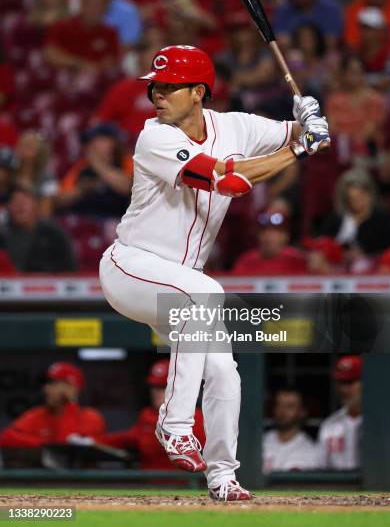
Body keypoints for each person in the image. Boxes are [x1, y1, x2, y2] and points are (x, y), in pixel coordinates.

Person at [98, 45, 330, 501]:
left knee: (225, 372)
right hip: (132, 267)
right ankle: (175, 423)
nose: (156, 94)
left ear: (199, 92)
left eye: (168, 86)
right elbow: (229, 180)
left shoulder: (235, 126)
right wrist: (300, 148)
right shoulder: (153, 138)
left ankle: (223, 475)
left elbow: (301, 134)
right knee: (205, 292)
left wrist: (311, 117)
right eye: (154, 86)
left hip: (181, 283)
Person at [96, 359, 205, 469]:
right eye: (154, 387)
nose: (156, 392)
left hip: (186, 484)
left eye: (163, 387)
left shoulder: (196, 418)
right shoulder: (147, 415)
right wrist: (90, 441)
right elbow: (127, 438)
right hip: (149, 484)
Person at [0, 362, 106, 450]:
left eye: (53, 384)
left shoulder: (91, 418)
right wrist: (46, 445)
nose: (46, 389)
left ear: (72, 388)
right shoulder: (37, 415)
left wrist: (70, 404)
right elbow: (6, 438)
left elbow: (66, 449)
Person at [319, 168, 390, 271]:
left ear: (370, 195)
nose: (356, 202)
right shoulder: (337, 218)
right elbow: (324, 240)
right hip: (337, 263)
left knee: (360, 265)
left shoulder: (382, 219)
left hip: (371, 263)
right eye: (352, 199)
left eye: (360, 197)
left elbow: (387, 248)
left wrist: (363, 254)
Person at [56, 123, 133, 219]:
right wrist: (82, 190)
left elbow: (127, 188)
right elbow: (59, 200)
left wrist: (97, 163)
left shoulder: (127, 161)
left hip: (115, 221)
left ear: (114, 142)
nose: (90, 146)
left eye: (99, 140)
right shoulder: (82, 166)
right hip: (83, 219)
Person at [0, 182, 77, 273]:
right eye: (14, 201)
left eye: (24, 201)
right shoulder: (2, 236)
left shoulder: (54, 233)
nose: (19, 206)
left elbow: (70, 269)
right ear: (8, 207)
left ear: (36, 204)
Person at [272, 0, 343, 52]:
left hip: (323, 56)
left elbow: (331, 42)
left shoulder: (330, 9)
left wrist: (299, 42)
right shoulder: (284, 9)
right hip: (293, 56)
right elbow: (281, 42)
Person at [231, 202, 307, 275]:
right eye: (264, 231)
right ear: (258, 235)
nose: (268, 236)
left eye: (275, 232)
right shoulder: (246, 262)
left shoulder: (297, 261)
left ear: (285, 236)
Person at [317, 355, 363, 469]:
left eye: (350, 382)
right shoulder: (329, 425)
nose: (344, 389)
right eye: (341, 382)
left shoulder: (384, 424)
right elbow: (320, 468)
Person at [263, 387, 319, 473]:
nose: (282, 411)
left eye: (289, 407)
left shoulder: (311, 451)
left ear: (302, 411)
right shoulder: (260, 442)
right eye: (279, 405)